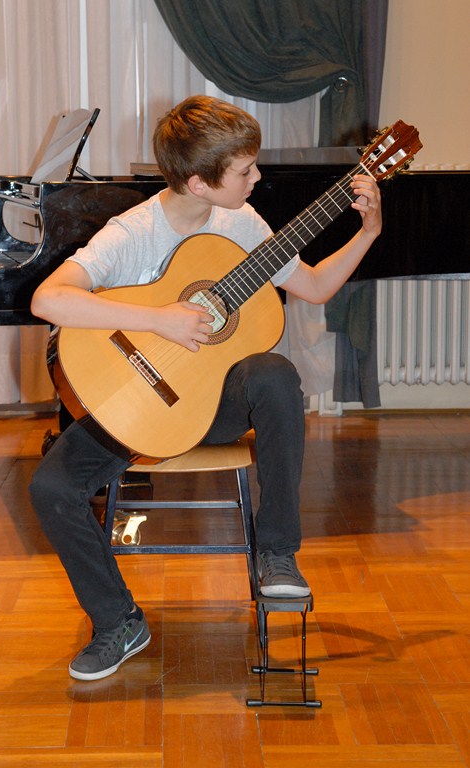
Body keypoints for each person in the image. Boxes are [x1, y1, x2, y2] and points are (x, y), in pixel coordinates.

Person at [29, 95, 382, 681]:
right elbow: (48, 299)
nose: (257, 177)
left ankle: (277, 554)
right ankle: (117, 620)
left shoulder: (241, 224)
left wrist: (368, 230)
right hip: (134, 406)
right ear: (198, 182)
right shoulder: (132, 232)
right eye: (245, 170)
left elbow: (315, 286)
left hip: (211, 400)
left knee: (273, 373)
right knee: (51, 488)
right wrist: (160, 318)